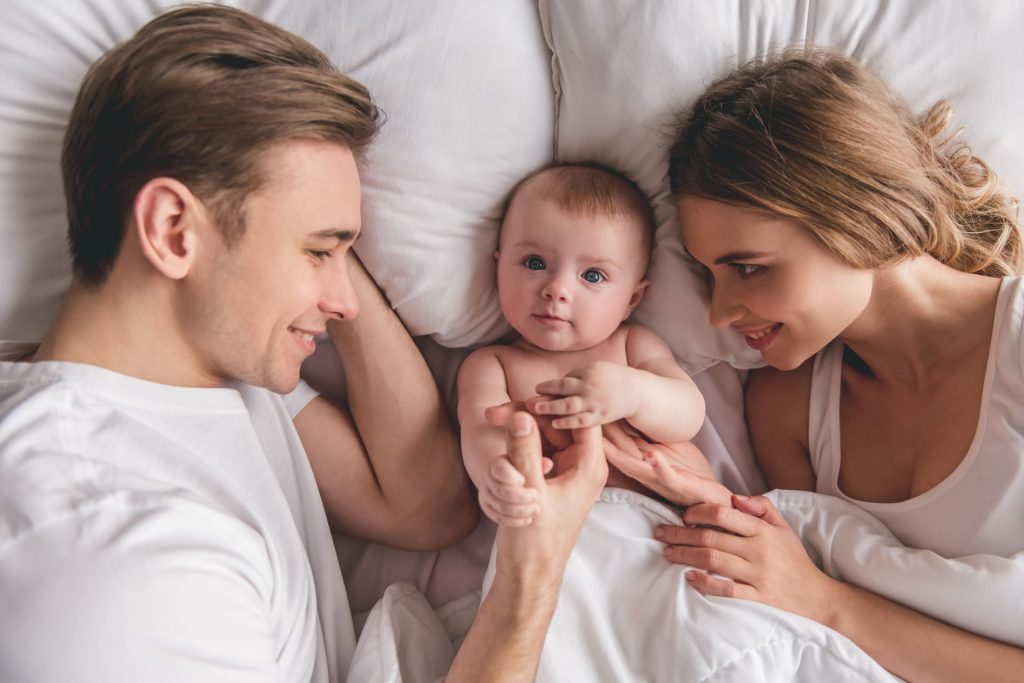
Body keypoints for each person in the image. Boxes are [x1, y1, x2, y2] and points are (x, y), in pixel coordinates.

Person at [0, 6, 606, 681]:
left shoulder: (203, 376)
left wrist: (321, 243)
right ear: (173, 230)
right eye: (319, 251)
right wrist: (530, 581)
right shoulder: (113, 566)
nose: (346, 302)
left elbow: (427, 504)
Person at [628, 49, 1024, 681]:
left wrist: (828, 603)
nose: (720, 314)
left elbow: (816, 601)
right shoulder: (787, 408)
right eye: (708, 274)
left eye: (749, 268)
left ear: (855, 215)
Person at [457, 162, 716, 525]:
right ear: (498, 269)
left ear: (632, 299)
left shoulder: (632, 346)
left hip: (657, 522)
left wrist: (634, 394)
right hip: (556, 524)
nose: (557, 289)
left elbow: (688, 414)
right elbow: (480, 430)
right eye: (534, 263)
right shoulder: (492, 365)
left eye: (592, 275)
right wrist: (497, 476)